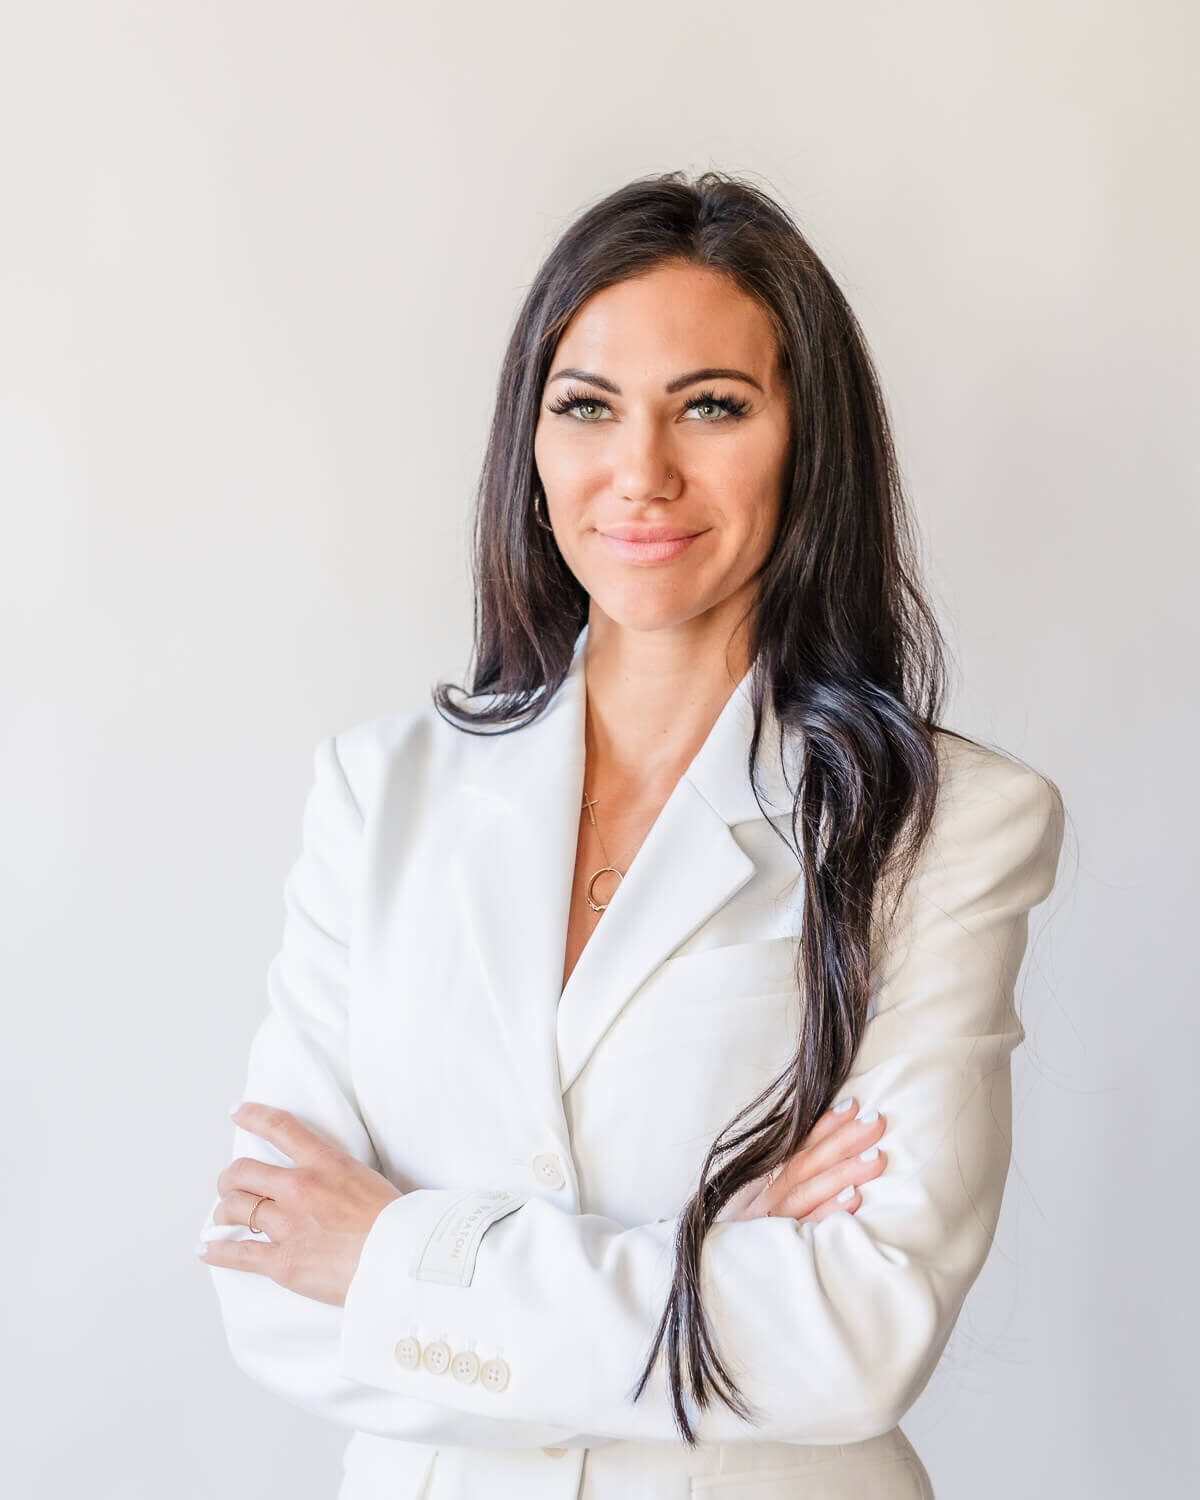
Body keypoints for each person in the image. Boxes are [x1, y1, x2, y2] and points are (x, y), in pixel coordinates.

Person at [197, 170, 1066, 1500]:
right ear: (531, 446)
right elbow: (270, 1281)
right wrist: (698, 1267)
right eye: (587, 407)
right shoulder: (379, 796)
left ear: (806, 441)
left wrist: (394, 1261)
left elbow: (853, 1334)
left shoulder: (941, 827)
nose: (641, 472)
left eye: (711, 407)